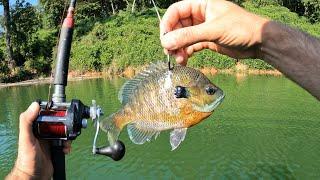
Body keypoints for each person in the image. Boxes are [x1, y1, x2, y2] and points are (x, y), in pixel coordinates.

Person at [7, 0, 320, 179]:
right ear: (192, 93)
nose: (215, 93)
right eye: (209, 91)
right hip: (145, 114)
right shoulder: (182, 93)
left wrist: (24, 173)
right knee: (127, 116)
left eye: (210, 90)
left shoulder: (187, 91)